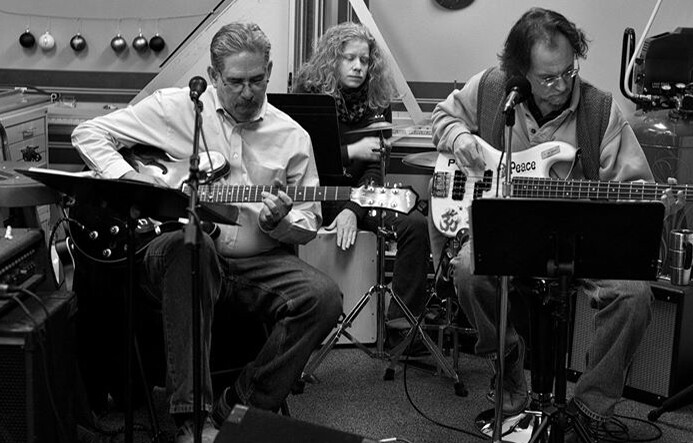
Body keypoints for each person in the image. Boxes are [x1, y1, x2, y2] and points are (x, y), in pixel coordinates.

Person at [72, 22, 343, 443]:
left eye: (257, 80)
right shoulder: (175, 109)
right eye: (235, 82)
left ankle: (238, 408)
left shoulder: (293, 138)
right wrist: (137, 185)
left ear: (269, 70)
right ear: (214, 77)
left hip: (258, 260)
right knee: (191, 252)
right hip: (178, 247)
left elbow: (308, 223)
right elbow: (88, 132)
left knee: (323, 298)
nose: (248, 92)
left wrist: (281, 223)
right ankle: (192, 422)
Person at [431, 7, 681, 436]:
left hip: (579, 241)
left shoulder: (601, 111)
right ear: (521, 72)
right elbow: (442, 117)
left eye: (569, 72)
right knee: (469, 272)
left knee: (634, 295)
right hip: (507, 234)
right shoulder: (492, 88)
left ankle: (589, 407)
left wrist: (658, 204)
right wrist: (458, 137)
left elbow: (634, 192)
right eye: (547, 78)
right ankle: (510, 378)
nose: (562, 85)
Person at [292, 22, 432, 343]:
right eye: (349, 58)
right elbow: (302, 159)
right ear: (332, 59)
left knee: (415, 225)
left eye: (365, 60)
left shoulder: (377, 99)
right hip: (316, 193)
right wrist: (350, 150)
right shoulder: (308, 93)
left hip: (362, 195)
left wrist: (354, 208)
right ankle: (299, 326)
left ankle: (401, 326)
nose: (358, 66)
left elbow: (374, 168)